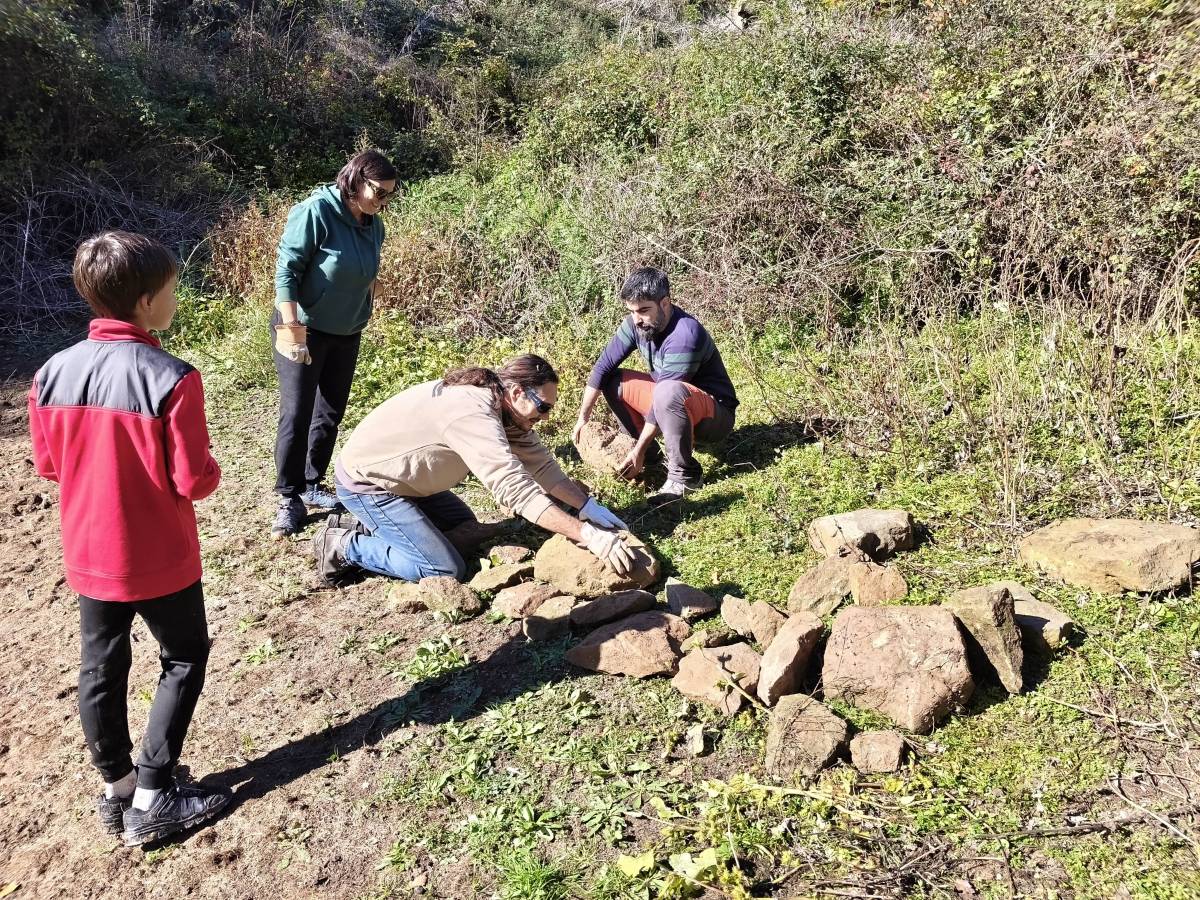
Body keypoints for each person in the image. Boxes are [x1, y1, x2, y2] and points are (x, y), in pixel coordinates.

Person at [27, 231, 229, 847]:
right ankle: (153, 792)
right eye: (170, 288)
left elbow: (48, 465)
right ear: (146, 302)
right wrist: (212, 468)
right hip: (158, 556)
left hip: (89, 551)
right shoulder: (171, 378)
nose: (176, 296)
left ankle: (115, 789)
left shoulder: (50, 372)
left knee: (101, 666)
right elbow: (193, 480)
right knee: (185, 656)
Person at [314, 354, 634, 583]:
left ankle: (379, 528)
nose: (547, 416)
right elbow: (516, 490)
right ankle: (345, 545)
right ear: (518, 392)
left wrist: (586, 505)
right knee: (443, 569)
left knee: (463, 527)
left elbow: (543, 468)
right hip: (369, 484)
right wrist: (586, 535)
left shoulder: (505, 411)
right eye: (543, 407)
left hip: (406, 481)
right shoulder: (473, 415)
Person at [270, 148, 398, 538]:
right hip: (304, 327)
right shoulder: (316, 211)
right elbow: (287, 269)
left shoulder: (373, 223)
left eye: (391, 195)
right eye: (379, 192)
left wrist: (368, 291)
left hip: (347, 331)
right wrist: (292, 328)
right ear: (356, 180)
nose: (383, 201)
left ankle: (312, 483)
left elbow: (364, 267)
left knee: (330, 412)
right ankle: (288, 497)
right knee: (297, 412)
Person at [573, 267, 739, 499]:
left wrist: (637, 449)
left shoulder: (684, 335)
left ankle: (684, 475)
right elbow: (603, 367)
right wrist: (583, 417)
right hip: (671, 401)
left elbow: (664, 399)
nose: (637, 319)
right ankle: (653, 463)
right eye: (632, 311)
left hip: (714, 417)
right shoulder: (635, 325)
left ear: (665, 303)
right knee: (614, 381)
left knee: (667, 391)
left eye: (643, 310)